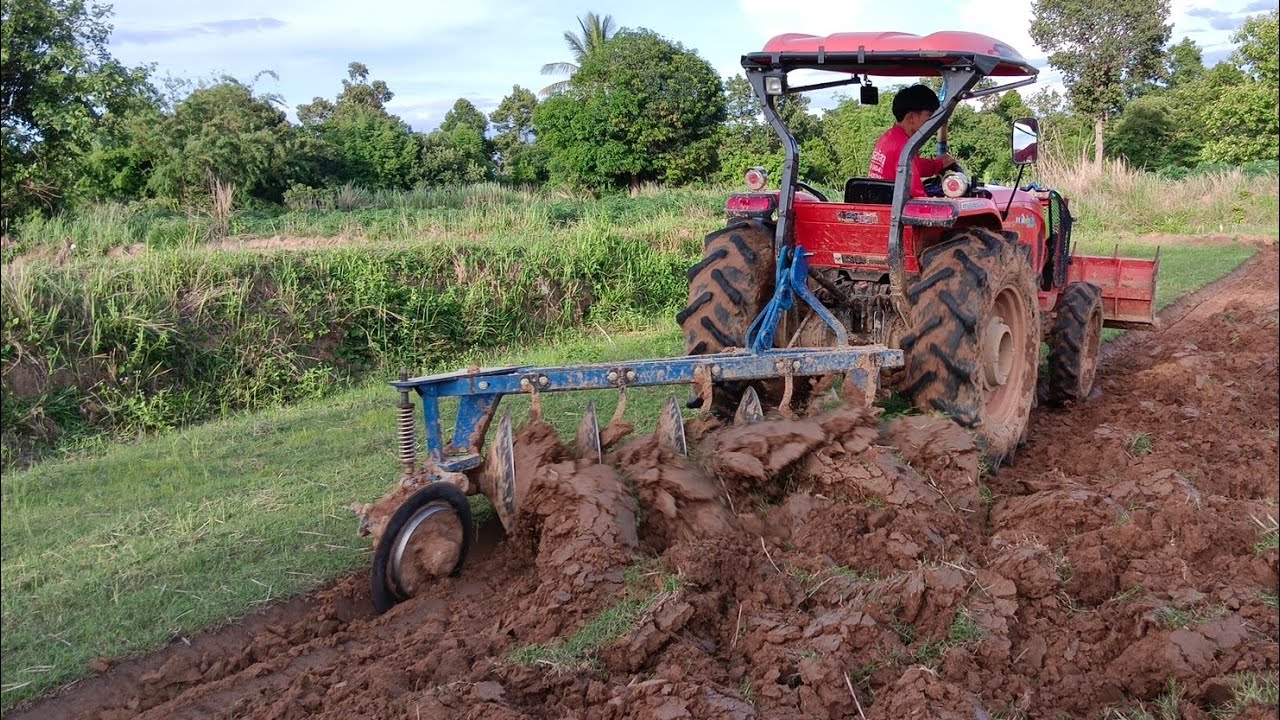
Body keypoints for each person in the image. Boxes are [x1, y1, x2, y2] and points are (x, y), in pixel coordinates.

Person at [868, 84, 956, 198]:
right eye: (930, 116)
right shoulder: (904, 148)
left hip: (884, 203)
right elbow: (917, 197)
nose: (934, 122)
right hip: (895, 210)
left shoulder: (889, 138)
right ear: (911, 117)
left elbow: (915, 166)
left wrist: (938, 164)